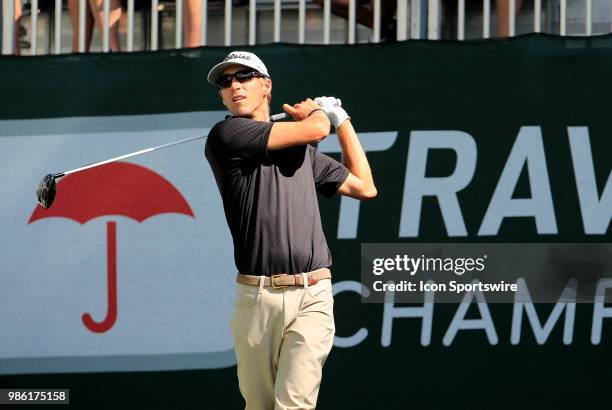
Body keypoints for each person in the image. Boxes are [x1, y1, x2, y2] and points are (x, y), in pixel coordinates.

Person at [204, 51, 377, 410]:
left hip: (313, 294)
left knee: (293, 405)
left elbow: (364, 187)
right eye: (226, 82)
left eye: (244, 77)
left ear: (266, 86)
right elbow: (316, 128)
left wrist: (343, 121)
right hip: (256, 299)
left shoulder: (303, 153)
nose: (234, 86)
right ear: (221, 95)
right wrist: (318, 112)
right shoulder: (226, 134)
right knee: (260, 406)